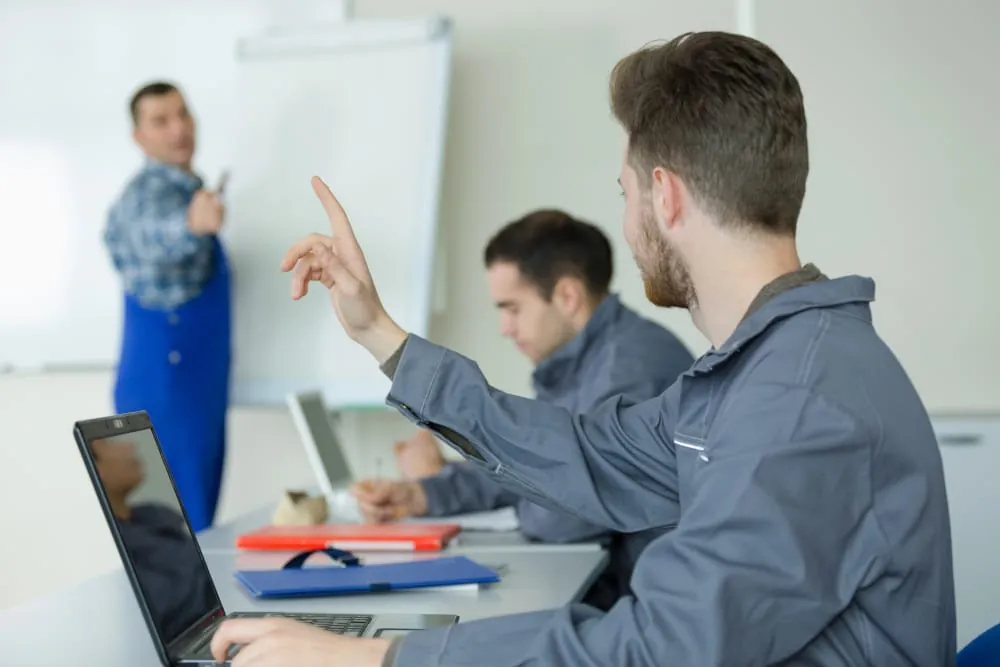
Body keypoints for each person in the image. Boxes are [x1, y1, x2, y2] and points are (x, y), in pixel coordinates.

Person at [211, 30, 955, 667]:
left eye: (624, 193)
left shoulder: (797, 402)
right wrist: (380, 333)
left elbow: (658, 649)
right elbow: (588, 453)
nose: (627, 226)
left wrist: (377, 656)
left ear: (665, 197)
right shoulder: (761, 369)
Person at [352, 209, 694, 610]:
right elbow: (531, 461)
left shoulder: (628, 370)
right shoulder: (581, 363)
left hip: (649, 607)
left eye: (512, 308)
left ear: (567, 296)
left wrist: (527, 495)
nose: (505, 328)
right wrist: (422, 494)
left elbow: (564, 517)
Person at [103, 81, 231, 532]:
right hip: (166, 388)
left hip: (195, 388)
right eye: (161, 121)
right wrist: (191, 225)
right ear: (139, 137)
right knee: (172, 536)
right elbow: (154, 235)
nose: (178, 129)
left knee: (194, 529)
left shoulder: (188, 189)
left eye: (183, 114)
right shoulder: (146, 197)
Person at [91, 437, 216, 640]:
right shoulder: (118, 553)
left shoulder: (155, 516)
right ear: (96, 470)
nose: (129, 445)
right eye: (108, 444)